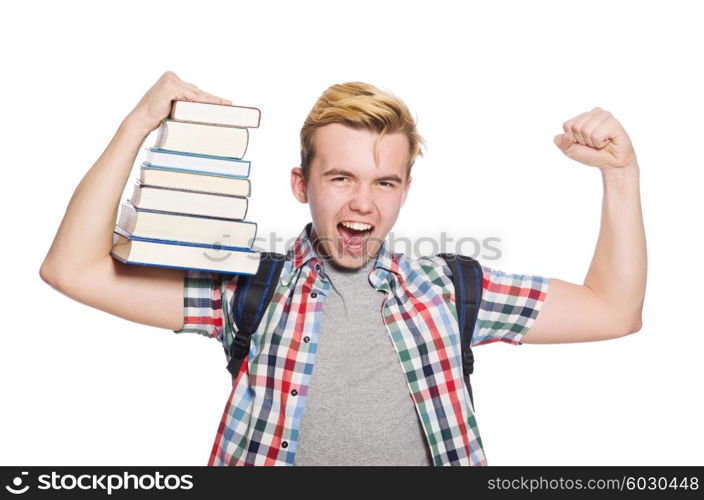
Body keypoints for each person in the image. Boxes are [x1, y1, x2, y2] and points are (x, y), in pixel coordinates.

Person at [39, 71, 647, 466]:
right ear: (302, 185)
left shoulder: (451, 290)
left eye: (384, 182)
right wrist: (138, 123)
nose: (363, 203)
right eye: (341, 178)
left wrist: (620, 175)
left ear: (406, 190)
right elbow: (73, 269)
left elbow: (613, 310)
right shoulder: (248, 289)